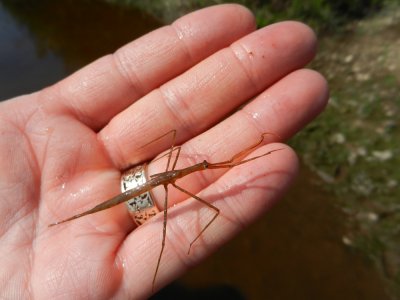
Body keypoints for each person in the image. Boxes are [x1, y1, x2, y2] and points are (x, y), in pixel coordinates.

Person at [0, 4, 328, 299]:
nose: (203, 164)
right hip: (142, 188)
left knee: (193, 163)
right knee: (194, 219)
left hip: (147, 186)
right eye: (202, 164)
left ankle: (73, 219)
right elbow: (183, 155)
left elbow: (185, 145)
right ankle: (88, 226)